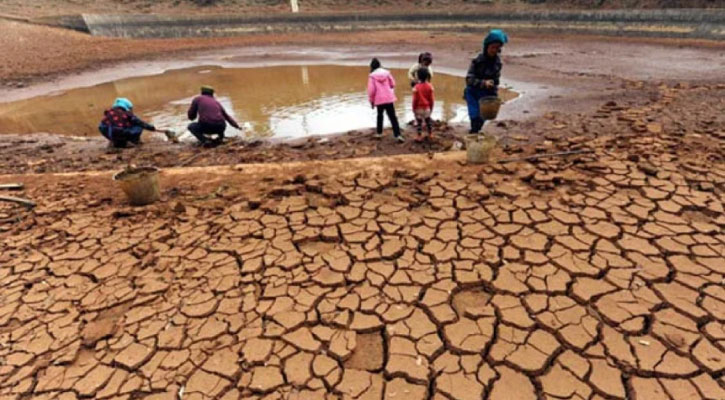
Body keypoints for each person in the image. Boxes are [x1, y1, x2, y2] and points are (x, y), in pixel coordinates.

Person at [464, 29, 508, 134]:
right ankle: (473, 132)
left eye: (497, 48)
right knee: (474, 116)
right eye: (492, 47)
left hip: (486, 94)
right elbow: (469, 79)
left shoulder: (497, 63)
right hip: (473, 92)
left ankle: (475, 132)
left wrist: (495, 94)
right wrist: (483, 83)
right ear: (486, 46)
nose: (494, 50)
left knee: (483, 116)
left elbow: (496, 80)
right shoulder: (477, 61)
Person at [367, 58, 404, 142]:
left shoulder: (372, 76)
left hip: (379, 99)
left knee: (380, 115)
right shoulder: (387, 73)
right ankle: (398, 135)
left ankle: (379, 133)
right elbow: (393, 84)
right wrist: (388, 89)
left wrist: (371, 101)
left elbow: (371, 91)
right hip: (389, 98)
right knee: (393, 117)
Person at [412, 67, 434, 142]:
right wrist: (431, 108)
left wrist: (413, 108)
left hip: (418, 108)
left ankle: (419, 136)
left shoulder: (416, 87)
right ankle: (430, 134)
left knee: (419, 123)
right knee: (428, 121)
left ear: (418, 76)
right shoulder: (430, 86)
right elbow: (431, 99)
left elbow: (415, 100)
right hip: (427, 107)